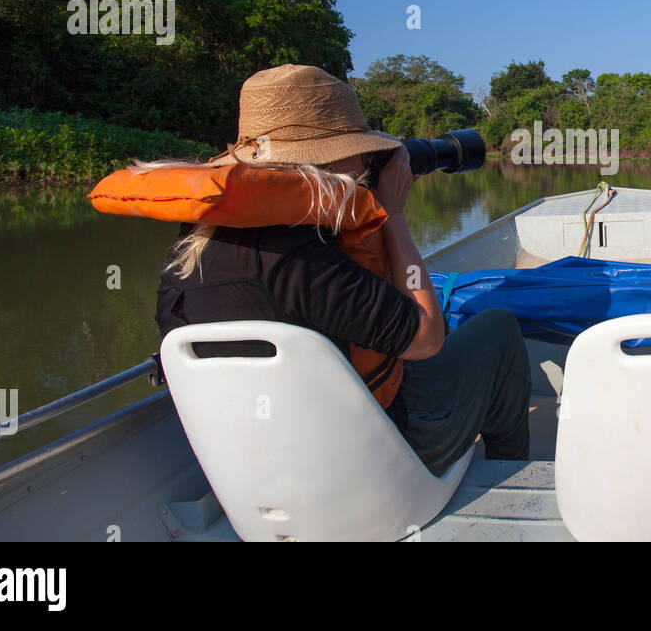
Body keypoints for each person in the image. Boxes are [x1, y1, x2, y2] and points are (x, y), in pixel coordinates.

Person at [151, 64, 531, 476]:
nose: (368, 162)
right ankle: (509, 472)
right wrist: (395, 216)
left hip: (254, 468)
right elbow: (426, 340)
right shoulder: (303, 257)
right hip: (374, 462)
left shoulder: (193, 242)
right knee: (499, 328)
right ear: (332, 160)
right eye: (361, 150)